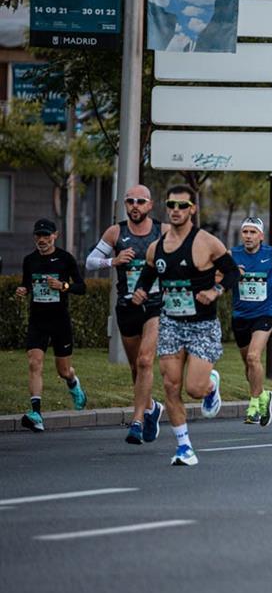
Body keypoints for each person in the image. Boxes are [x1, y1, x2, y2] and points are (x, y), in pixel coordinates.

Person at [131, 186, 239, 465]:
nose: (176, 210)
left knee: (194, 388)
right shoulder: (157, 247)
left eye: (182, 205)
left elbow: (232, 272)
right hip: (171, 324)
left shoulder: (207, 242)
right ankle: (184, 447)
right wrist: (141, 291)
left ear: (193, 209)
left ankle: (211, 387)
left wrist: (215, 291)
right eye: (172, 205)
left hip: (202, 325)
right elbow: (147, 275)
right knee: (170, 385)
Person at [85, 185, 167, 443]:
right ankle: (152, 408)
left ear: (150, 205)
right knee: (136, 368)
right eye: (130, 201)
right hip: (127, 306)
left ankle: (137, 422)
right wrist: (114, 261)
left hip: (156, 305)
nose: (135, 206)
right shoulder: (116, 232)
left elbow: (182, 257)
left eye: (140, 201)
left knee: (145, 361)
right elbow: (89, 261)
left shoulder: (162, 231)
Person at [16, 219, 87, 432]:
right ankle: (36, 413)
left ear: (55, 235)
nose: (42, 240)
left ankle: (73, 384)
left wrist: (63, 286)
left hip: (59, 321)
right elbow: (27, 283)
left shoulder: (65, 259)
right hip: (38, 321)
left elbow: (81, 287)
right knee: (34, 362)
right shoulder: (30, 260)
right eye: (38, 235)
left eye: (46, 235)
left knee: (63, 370)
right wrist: (23, 290)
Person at [230, 217, 272, 426]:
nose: (248, 236)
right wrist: (232, 274)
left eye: (252, 232)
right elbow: (216, 276)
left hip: (264, 313)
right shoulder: (232, 254)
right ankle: (264, 396)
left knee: (253, 357)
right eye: (245, 232)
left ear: (261, 235)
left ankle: (254, 406)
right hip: (240, 315)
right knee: (249, 366)